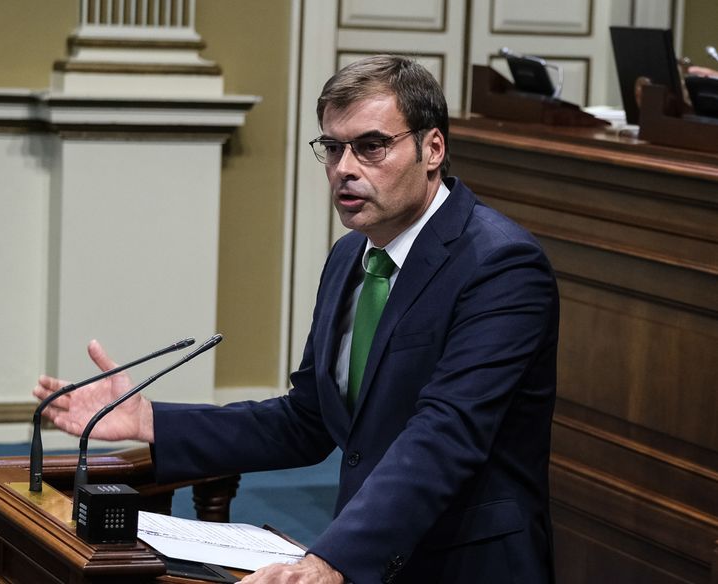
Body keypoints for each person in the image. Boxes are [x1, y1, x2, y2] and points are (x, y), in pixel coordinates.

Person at [35, 54, 559, 584]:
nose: (345, 168)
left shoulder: (500, 265)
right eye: (332, 148)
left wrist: (334, 560)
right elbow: (306, 421)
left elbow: (446, 435)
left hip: (466, 565)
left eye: (371, 146)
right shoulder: (348, 257)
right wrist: (150, 420)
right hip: (373, 558)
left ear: (433, 149)